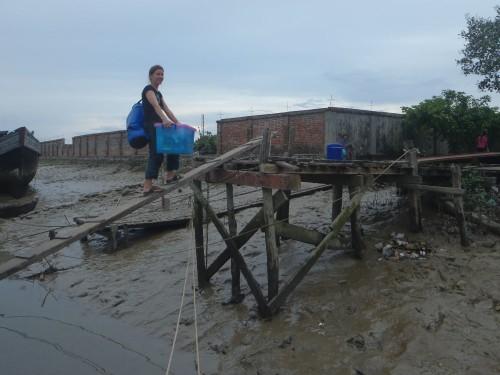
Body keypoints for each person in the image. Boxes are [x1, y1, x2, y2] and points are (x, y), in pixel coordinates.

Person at [142, 65, 181, 195]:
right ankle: (147, 186)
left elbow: (166, 109)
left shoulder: (159, 93)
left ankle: (170, 175)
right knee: (156, 154)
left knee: (174, 146)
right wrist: (164, 120)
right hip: (153, 126)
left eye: (162, 74)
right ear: (151, 76)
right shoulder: (148, 90)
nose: (160, 77)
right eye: (158, 74)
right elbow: (156, 106)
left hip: (162, 126)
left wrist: (178, 123)